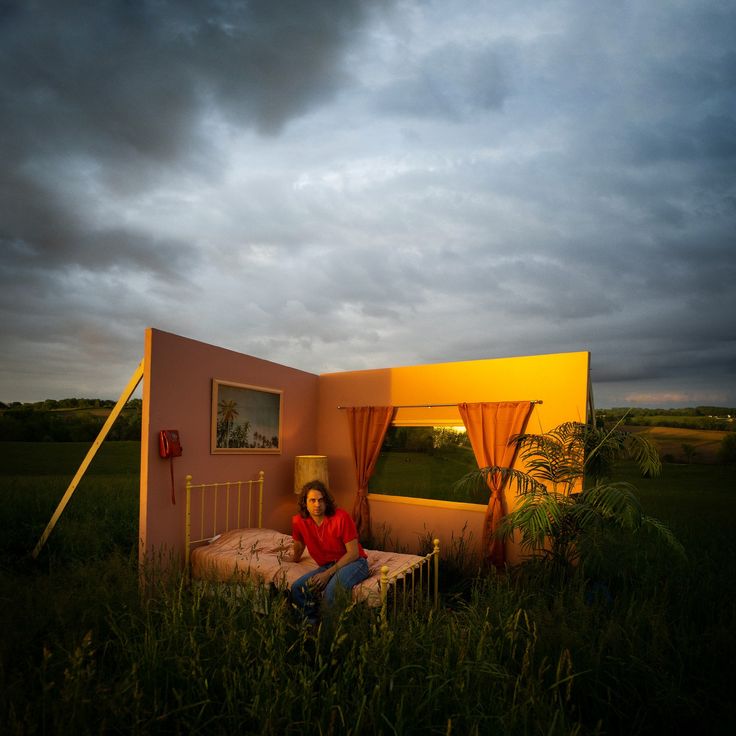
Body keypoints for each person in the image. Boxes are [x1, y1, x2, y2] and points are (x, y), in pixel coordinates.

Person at [289, 479, 370, 626]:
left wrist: (327, 574)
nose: (317, 505)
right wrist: (293, 559)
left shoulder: (341, 517)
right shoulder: (298, 521)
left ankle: (328, 635)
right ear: (304, 502)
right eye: (312, 500)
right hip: (327, 565)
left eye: (321, 500)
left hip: (354, 563)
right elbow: (299, 545)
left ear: (326, 501)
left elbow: (353, 553)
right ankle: (311, 627)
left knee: (331, 593)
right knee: (297, 588)